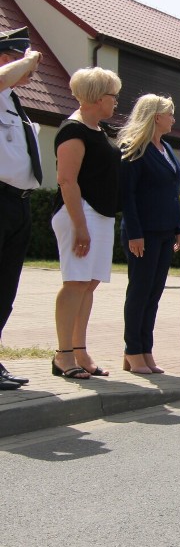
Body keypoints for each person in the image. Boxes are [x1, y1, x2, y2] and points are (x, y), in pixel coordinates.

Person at [51, 66, 122, 379]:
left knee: (89, 283)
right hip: (79, 213)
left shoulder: (99, 131)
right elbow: (67, 180)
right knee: (75, 282)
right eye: (112, 96)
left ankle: (80, 350)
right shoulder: (73, 130)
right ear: (96, 98)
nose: (116, 102)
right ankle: (63, 355)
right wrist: (79, 226)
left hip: (101, 215)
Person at [117, 94, 180, 374]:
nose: (173, 119)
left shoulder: (166, 149)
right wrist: (134, 233)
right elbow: (127, 196)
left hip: (166, 232)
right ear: (156, 116)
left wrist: (179, 227)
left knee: (153, 294)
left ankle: (145, 349)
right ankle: (133, 349)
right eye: (170, 114)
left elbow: (172, 193)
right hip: (142, 233)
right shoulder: (134, 148)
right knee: (140, 292)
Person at [0, 26, 41, 389]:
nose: (29, 72)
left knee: (5, 289)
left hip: (19, 203)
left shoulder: (14, 101)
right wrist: (25, 61)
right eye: (19, 59)